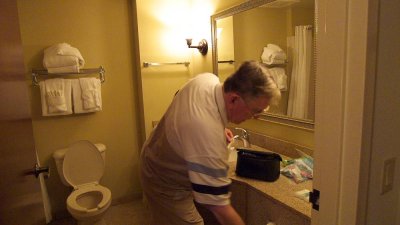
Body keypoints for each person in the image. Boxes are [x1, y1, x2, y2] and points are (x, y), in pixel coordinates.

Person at [140, 60, 281, 225]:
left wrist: (217, 128)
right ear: (234, 99)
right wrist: (209, 131)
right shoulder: (206, 131)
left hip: (154, 153)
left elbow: (179, 95)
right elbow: (219, 208)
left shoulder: (207, 80)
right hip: (164, 183)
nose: (256, 117)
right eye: (256, 111)